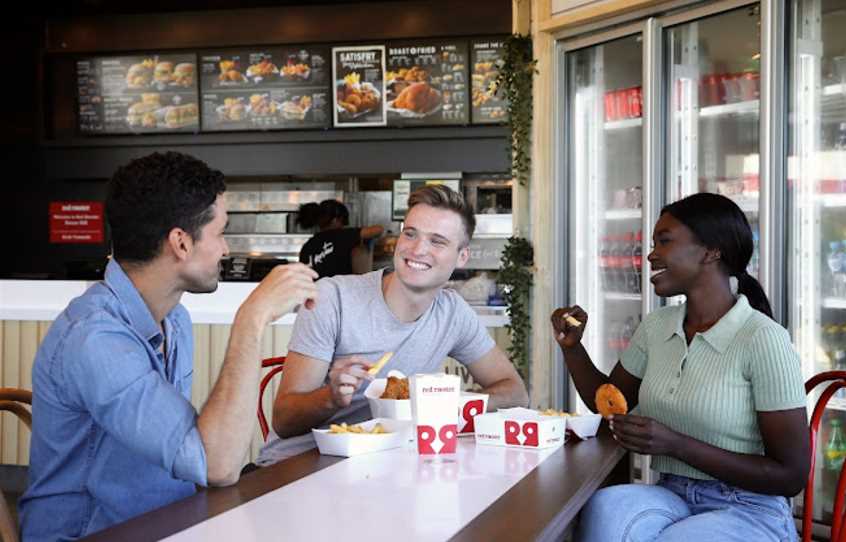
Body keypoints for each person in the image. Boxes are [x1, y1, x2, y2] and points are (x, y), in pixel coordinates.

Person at [19, 152, 318, 541]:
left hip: (165, 521)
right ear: (180, 242)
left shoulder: (174, 319)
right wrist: (252, 319)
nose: (226, 249)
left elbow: (196, 452)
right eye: (220, 232)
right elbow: (218, 465)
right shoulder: (94, 339)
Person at [550, 193, 809, 542]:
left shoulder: (763, 339)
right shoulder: (657, 327)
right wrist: (573, 348)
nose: (651, 254)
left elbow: (791, 476)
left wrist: (677, 445)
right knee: (605, 507)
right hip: (672, 494)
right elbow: (608, 402)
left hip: (749, 508)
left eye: (665, 241)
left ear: (711, 251)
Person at [256, 185, 529, 464]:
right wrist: (332, 397)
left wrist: (448, 403)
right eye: (410, 234)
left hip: (386, 469)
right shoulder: (332, 298)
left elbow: (515, 392)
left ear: (462, 257)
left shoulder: (453, 313)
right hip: (298, 468)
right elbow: (284, 420)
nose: (418, 249)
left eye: (437, 241)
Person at [298, 199, 384, 278]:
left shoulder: (308, 246)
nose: (343, 226)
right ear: (335, 220)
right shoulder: (344, 236)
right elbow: (378, 229)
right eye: (343, 221)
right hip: (341, 293)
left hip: (315, 293)